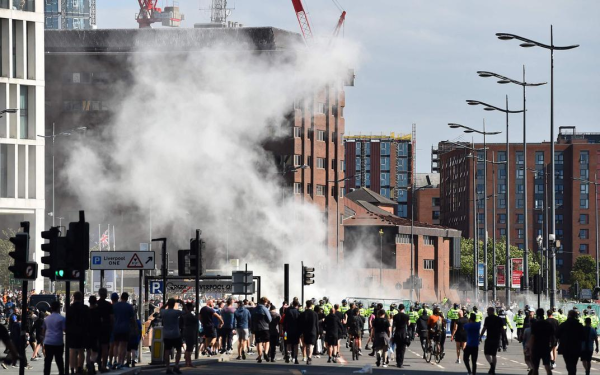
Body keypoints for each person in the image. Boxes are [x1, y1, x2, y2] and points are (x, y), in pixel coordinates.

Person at [66, 291, 90, 375]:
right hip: (82, 332)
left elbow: (67, 321)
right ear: (81, 298)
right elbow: (88, 321)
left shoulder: (70, 308)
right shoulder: (85, 308)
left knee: (72, 351)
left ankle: (72, 369)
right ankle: (79, 368)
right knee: (81, 351)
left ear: (74, 298)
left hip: (72, 332)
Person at [112, 293, 136, 370]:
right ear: (127, 298)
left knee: (116, 345)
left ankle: (114, 360)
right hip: (125, 328)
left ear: (121, 297)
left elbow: (112, 317)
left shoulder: (115, 306)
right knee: (123, 346)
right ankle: (121, 362)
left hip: (116, 328)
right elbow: (132, 319)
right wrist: (135, 328)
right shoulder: (129, 307)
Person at [557, 310, 584, 375]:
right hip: (576, 347)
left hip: (566, 347)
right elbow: (583, 337)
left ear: (568, 315)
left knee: (568, 363)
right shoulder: (579, 325)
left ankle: (571, 373)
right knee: (574, 363)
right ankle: (572, 373)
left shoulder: (563, 325)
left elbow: (557, 334)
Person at [528, 308, 554, 375]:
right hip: (545, 347)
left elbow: (532, 337)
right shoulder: (548, 324)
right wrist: (551, 347)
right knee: (547, 366)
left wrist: (530, 349)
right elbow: (552, 337)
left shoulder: (535, 324)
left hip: (536, 347)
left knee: (535, 368)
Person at [43, 301, 66, 375]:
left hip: (48, 341)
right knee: (59, 359)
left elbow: (43, 330)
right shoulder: (61, 318)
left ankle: (46, 373)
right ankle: (61, 372)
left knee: (48, 360)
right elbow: (64, 329)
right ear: (58, 308)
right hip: (58, 341)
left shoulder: (46, 319)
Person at [480, 307, 503, 375]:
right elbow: (502, 329)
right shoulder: (499, 319)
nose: (487, 312)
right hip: (496, 338)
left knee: (486, 353)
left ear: (491, 311)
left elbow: (484, 328)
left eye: (488, 311)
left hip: (489, 338)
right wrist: (505, 338)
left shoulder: (487, 318)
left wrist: (480, 336)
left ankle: (492, 365)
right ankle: (493, 369)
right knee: (494, 354)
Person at [96, 288, 113, 373]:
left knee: (97, 346)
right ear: (106, 294)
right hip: (106, 327)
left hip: (96, 328)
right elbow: (111, 317)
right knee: (105, 347)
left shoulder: (96, 304)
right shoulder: (108, 305)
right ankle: (104, 365)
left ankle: (98, 362)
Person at [299, 300, 318, 365]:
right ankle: (309, 357)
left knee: (306, 344)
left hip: (305, 331)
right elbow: (316, 324)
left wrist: (300, 332)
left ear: (306, 305)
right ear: (311, 305)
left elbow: (300, 324)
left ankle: (307, 357)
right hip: (313, 331)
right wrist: (318, 333)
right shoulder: (315, 314)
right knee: (311, 345)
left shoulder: (303, 314)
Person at [283, 300, 301, 364]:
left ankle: (288, 355)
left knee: (288, 343)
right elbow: (300, 323)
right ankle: (295, 358)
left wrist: (284, 329)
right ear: (297, 305)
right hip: (296, 331)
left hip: (288, 330)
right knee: (296, 344)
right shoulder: (298, 312)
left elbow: (284, 322)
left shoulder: (288, 311)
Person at [392, 303, 409, 368]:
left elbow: (393, 326)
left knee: (398, 348)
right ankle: (400, 363)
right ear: (403, 308)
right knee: (402, 349)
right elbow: (409, 324)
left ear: (399, 308)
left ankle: (397, 362)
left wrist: (392, 335)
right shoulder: (406, 316)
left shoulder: (395, 316)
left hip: (397, 333)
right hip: (403, 333)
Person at [86, 296, 101, 374]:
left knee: (88, 351)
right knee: (95, 351)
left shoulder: (87, 311)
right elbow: (100, 322)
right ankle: (92, 362)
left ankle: (88, 365)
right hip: (95, 333)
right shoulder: (98, 311)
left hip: (87, 333)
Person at [181, 302, 198, 368]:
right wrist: (197, 314)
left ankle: (187, 362)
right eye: (192, 307)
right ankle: (189, 362)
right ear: (189, 307)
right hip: (190, 331)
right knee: (189, 348)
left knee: (189, 347)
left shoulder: (185, 314)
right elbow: (196, 319)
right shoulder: (189, 315)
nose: (193, 308)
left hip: (187, 331)